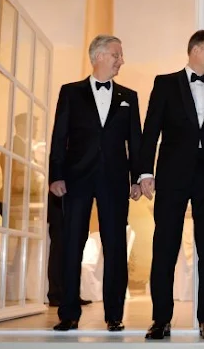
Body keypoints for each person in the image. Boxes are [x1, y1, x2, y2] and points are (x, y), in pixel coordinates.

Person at [139, 30, 204, 340]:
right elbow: (151, 130)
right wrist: (145, 172)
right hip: (172, 176)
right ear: (196, 50)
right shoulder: (165, 83)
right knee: (165, 247)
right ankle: (161, 320)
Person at [48, 34, 142, 332]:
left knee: (115, 245)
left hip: (115, 179)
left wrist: (138, 177)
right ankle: (68, 312)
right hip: (76, 177)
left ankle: (114, 315)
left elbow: (135, 143)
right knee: (71, 242)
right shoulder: (70, 92)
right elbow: (59, 136)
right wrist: (56, 175)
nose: (121, 60)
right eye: (117, 54)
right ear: (99, 56)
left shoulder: (129, 96)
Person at [46, 191, 92, 307]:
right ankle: (55, 294)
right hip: (59, 201)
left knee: (75, 251)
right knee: (58, 249)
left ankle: (72, 294)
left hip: (75, 201)